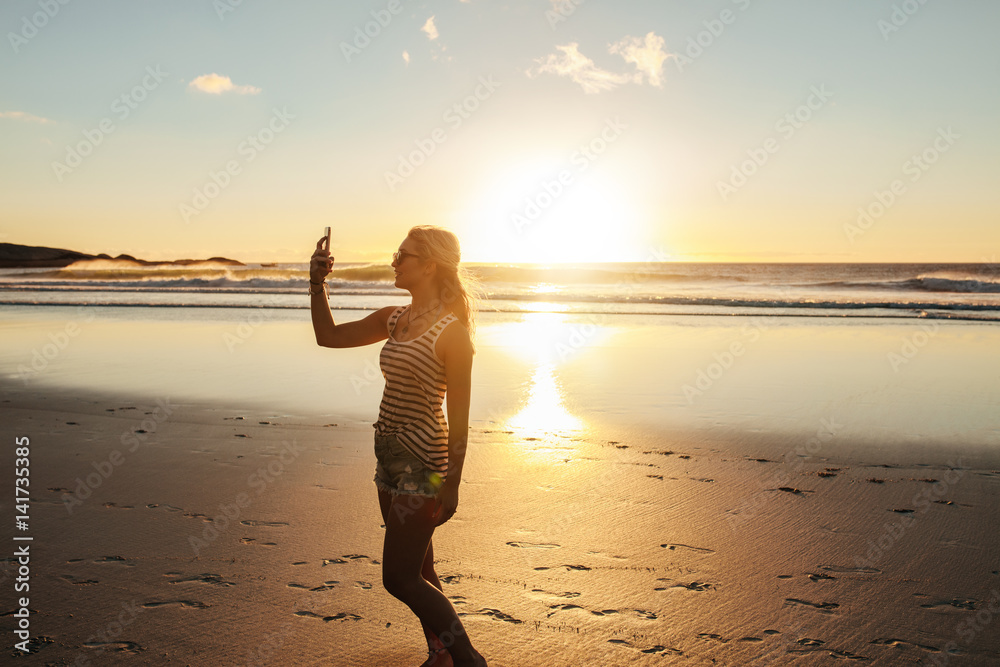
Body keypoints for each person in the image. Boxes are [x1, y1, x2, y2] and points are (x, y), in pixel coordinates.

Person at [309, 225, 488, 667]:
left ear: (428, 265)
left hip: (424, 465)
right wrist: (317, 284)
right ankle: (441, 654)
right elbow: (328, 336)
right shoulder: (396, 318)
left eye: (402, 255)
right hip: (387, 459)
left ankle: (470, 661)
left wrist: (453, 483)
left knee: (401, 579)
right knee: (422, 570)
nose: (394, 260)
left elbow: (461, 418)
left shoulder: (453, 335)